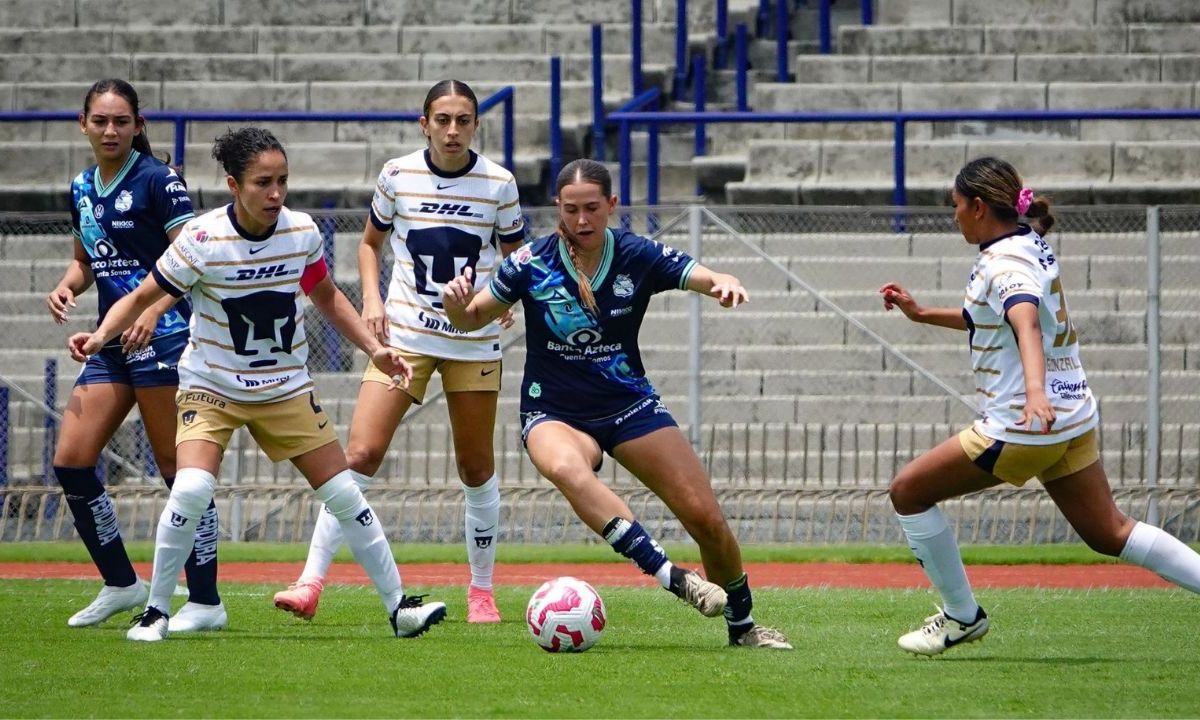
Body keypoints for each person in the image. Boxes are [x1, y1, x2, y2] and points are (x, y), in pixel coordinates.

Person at [67, 127, 447, 642]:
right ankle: (155, 611)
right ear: (233, 184)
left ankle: (400, 608)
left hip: (284, 389)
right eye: (263, 182)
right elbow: (140, 296)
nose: (275, 193)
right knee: (192, 488)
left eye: (282, 181)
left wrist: (374, 347)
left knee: (344, 494)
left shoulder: (302, 231)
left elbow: (327, 296)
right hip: (212, 387)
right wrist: (100, 336)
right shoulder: (201, 239)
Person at [441, 158, 792, 649]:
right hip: (553, 411)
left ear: (611, 205)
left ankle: (743, 627)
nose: (581, 220)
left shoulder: (636, 254)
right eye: (570, 210)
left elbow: (702, 275)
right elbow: (474, 316)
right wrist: (457, 307)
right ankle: (673, 577)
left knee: (707, 519)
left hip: (629, 405)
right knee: (567, 469)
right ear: (557, 209)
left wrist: (723, 283)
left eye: (591, 208)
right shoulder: (530, 263)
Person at [880, 156, 1200, 656]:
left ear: (980, 207)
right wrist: (921, 315)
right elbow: (993, 319)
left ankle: (962, 617)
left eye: (957, 206)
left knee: (908, 492)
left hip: (1024, 425)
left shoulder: (1001, 261)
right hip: (1074, 418)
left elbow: (1025, 321)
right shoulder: (1030, 243)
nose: (955, 216)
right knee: (1110, 531)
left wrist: (1033, 393)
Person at [272, 79, 525, 625]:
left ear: (476, 124)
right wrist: (371, 298)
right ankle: (311, 580)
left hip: (473, 338)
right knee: (359, 455)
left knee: (476, 467)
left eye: (463, 120)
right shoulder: (397, 174)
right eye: (442, 119)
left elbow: (516, 256)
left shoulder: (499, 183)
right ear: (424, 123)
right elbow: (369, 243)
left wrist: (506, 296)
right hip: (405, 338)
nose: (452, 130)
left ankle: (481, 592)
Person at [46, 78, 224, 632]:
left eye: (121, 121)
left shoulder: (159, 181)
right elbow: (89, 260)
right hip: (110, 340)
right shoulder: (80, 187)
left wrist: (151, 311)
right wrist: (67, 285)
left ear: (137, 126)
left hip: (164, 336)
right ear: (83, 124)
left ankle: (205, 600)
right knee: (71, 461)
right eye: (100, 120)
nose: (110, 130)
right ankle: (123, 583)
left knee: (177, 469)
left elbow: (189, 258)